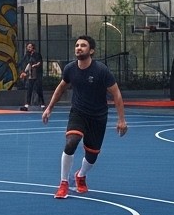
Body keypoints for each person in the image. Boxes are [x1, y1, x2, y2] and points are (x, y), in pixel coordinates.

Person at [42, 35, 128, 198]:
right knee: (71, 143)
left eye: (83, 45)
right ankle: (63, 183)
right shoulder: (70, 69)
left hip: (98, 117)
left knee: (92, 155)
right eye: (77, 45)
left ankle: (80, 175)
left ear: (91, 51)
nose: (78, 48)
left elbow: (116, 93)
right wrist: (49, 108)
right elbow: (61, 88)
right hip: (78, 113)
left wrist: (121, 119)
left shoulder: (101, 71)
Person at [19, 41, 45, 110]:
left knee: (38, 89)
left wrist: (36, 65)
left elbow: (39, 62)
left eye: (30, 47)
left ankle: (42, 104)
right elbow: (26, 64)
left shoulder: (37, 54)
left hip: (37, 75)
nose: (28, 48)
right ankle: (27, 105)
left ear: (33, 48)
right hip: (30, 76)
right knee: (29, 90)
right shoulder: (27, 56)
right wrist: (24, 72)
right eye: (28, 47)